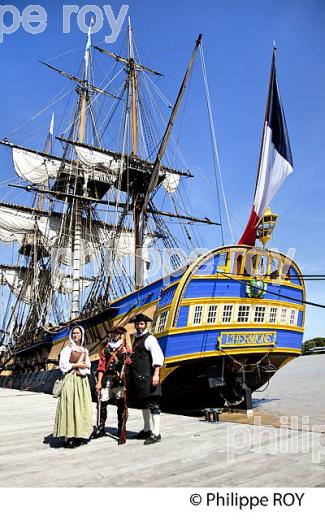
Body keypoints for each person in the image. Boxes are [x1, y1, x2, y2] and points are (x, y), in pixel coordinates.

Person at [53, 325, 93, 448]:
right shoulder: (68, 349)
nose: (76, 335)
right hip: (71, 381)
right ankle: (69, 435)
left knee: (81, 408)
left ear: (82, 335)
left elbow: (88, 366)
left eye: (78, 333)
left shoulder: (85, 350)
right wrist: (78, 365)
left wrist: (83, 367)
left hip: (82, 381)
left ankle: (79, 435)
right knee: (70, 407)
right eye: (74, 333)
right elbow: (63, 365)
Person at [129, 313, 164, 445]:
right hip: (139, 379)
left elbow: (158, 357)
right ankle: (146, 429)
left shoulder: (150, 339)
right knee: (144, 403)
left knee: (153, 404)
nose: (139, 326)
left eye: (141, 324)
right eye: (137, 324)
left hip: (149, 377)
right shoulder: (137, 339)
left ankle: (156, 433)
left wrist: (156, 374)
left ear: (145, 325)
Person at [95, 327, 130, 438]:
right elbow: (101, 367)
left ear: (120, 335)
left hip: (119, 380)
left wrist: (127, 354)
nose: (114, 335)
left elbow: (129, 364)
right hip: (107, 379)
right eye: (113, 333)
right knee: (102, 403)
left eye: (117, 334)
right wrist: (99, 382)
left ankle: (121, 429)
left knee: (120, 405)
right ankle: (101, 428)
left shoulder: (125, 348)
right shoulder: (106, 349)